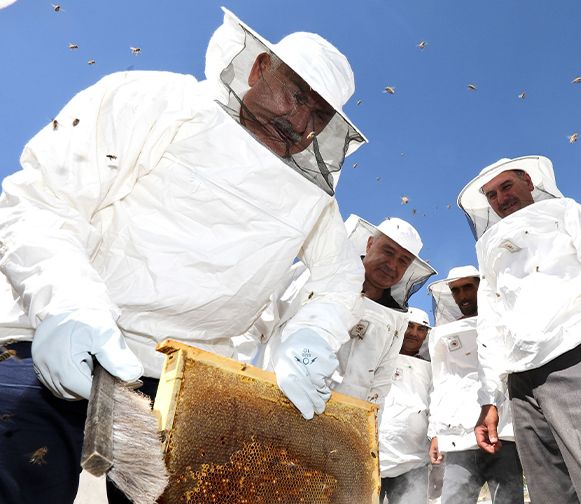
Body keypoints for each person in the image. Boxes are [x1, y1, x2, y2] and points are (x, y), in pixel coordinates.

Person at [0, 8, 367, 503]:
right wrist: (66, 301)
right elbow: (45, 200)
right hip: (52, 340)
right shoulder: (155, 99)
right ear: (258, 68)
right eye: (296, 95)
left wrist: (313, 334)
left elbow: (340, 276)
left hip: (180, 382)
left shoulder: (316, 199)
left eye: (318, 115)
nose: (299, 121)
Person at [458, 156, 581, 504]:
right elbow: (492, 325)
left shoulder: (567, 213)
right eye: (491, 195)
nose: (501, 199)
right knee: (552, 496)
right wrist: (491, 399)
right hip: (521, 386)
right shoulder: (488, 249)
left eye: (507, 186)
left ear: (529, 183)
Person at [261, 215, 436, 412]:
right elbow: (264, 318)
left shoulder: (398, 319)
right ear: (370, 244)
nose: (392, 265)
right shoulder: (315, 274)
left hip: (342, 421)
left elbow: (381, 381)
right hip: (276, 395)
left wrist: (370, 426)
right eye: (387, 252)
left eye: (403, 261)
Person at [426, 266, 523, 504]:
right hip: (460, 437)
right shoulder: (445, 334)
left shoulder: (505, 320)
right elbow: (441, 383)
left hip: (503, 433)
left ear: (481, 287)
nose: (462, 296)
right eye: (455, 290)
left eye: (467, 287)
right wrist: (435, 433)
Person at [378, 307, 434, 504]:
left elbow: (436, 406)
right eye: (410, 326)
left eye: (421, 329)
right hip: (373, 456)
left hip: (414, 461)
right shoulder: (378, 356)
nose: (414, 333)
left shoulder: (432, 368)